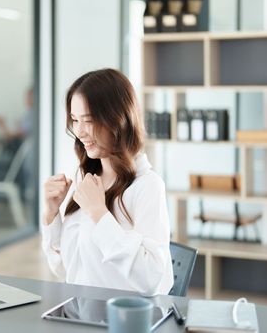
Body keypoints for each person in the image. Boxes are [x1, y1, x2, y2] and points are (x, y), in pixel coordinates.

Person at [41, 68, 173, 296]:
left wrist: (100, 215)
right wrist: (52, 215)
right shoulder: (86, 179)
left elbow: (153, 280)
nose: (79, 131)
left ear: (118, 120)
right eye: (74, 120)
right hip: (81, 313)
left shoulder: (148, 186)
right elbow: (66, 270)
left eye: (88, 120)